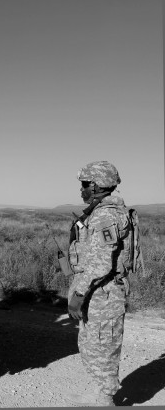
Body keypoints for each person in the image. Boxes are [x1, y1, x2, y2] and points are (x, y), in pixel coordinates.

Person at [66, 160, 141, 406]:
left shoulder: (105, 216)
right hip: (98, 290)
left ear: (97, 186)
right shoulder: (101, 212)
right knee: (91, 343)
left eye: (85, 184)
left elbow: (100, 265)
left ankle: (107, 398)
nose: (82, 190)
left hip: (104, 292)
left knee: (103, 345)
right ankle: (102, 392)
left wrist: (78, 295)